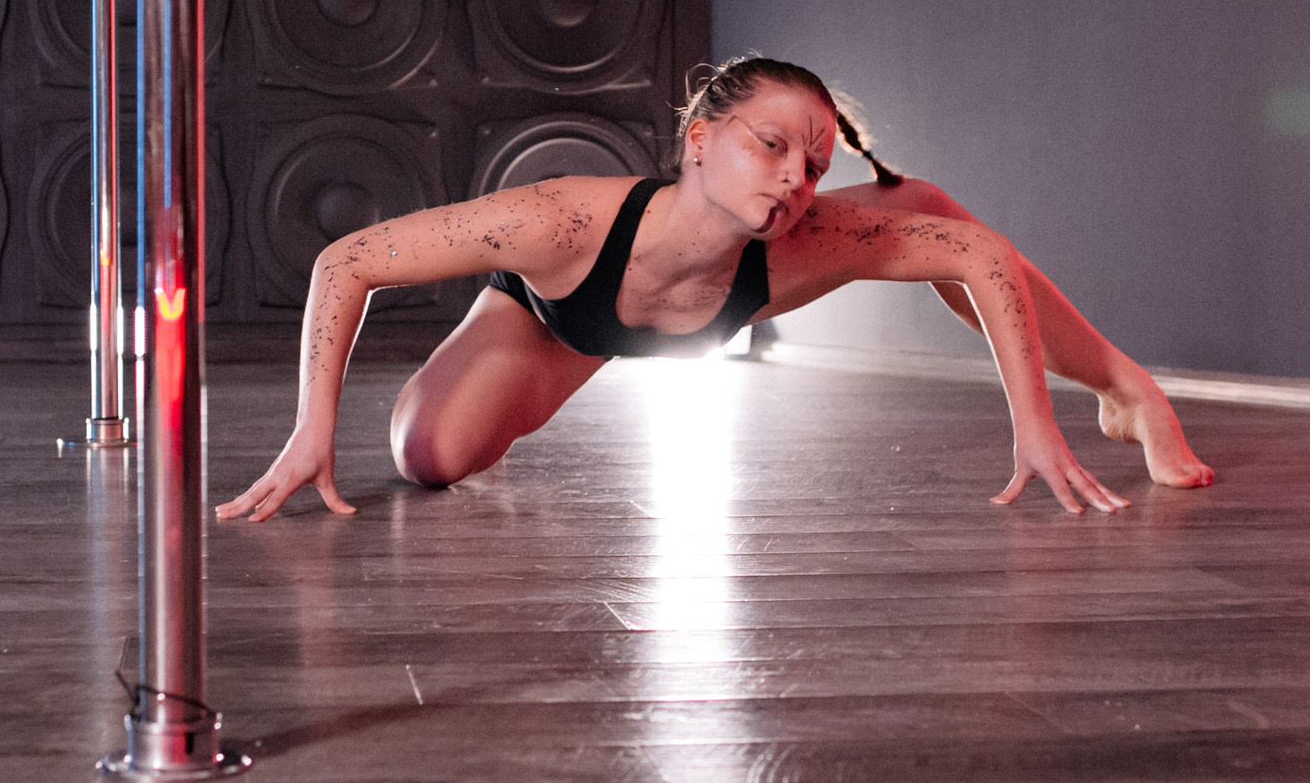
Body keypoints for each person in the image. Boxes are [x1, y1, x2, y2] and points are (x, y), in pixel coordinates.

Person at [216, 56, 1214, 524]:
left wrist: (1035, 423)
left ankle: (1126, 390)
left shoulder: (801, 240)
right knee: (426, 457)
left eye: (813, 165)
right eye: (769, 145)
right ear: (699, 140)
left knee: (935, 219)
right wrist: (311, 431)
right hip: (563, 319)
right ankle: (507, 379)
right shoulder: (560, 220)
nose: (793, 178)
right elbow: (343, 261)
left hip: (686, 309)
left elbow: (983, 258)